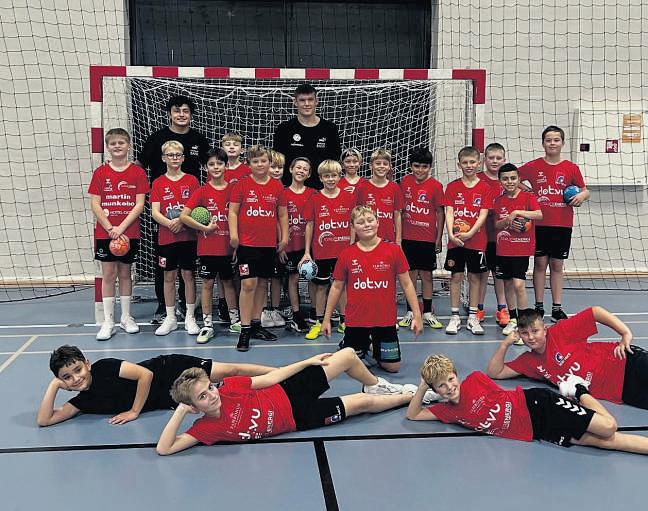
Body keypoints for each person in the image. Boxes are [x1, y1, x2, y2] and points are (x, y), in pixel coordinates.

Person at [156, 347, 416, 454]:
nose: (212, 395)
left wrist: (305, 363)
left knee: (347, 355)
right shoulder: (204, 429)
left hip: (289, 390)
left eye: (210, 388)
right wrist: (180, 411)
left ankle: (376, 384)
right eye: (202, 397)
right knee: (362, 403)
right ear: (194, 407)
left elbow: (270, 379)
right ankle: (411, 397)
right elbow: (164, 448)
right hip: (298, 419)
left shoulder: (231, 388)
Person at [407, 354, 648, 455]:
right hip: (538, 430)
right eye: (441, 386)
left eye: (451, 379)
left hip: (539, 404)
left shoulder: (475, 380)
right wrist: (422, 386)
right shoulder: (446, 412)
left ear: (456, 375)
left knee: (608, 428)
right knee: (605, 442)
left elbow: (505, 395)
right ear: (435, 390)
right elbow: (414, 415)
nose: (449, 387)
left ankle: (578, 389)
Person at [37, 345, 275, 427]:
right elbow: (45, 420)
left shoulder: (104, 367)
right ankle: (278, 381)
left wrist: (134, 411)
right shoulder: (82, 402)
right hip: (168, 397)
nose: (76, 378)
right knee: (230, 391)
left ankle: (281, 373)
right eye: (67, 377)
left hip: (167, 369)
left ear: (87, 364)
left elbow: (145, 375)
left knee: (230, 371)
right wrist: (53, 386)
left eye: (78, 370)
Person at [136, 95, 210, 325]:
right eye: (177, 111)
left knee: (188, 271)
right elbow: (139, 166)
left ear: (191, 114)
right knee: (165, 268)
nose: (181, 115)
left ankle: (188, 310)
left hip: (190, 214)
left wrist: (187, 217)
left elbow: (210, 168)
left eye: (185, 111)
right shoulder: (157, 138)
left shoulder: (199, 139)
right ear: (170, 113)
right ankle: (164, 308)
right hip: (164, 214)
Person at [322, 205, 423, 373]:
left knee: (392, 367)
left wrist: (417, 315)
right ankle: (354, 343)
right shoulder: (347, 254)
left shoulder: (393, 250)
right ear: (353, 227)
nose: (367, 225)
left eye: (370, 220)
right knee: (348, 366)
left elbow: (407, 284)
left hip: (384, 321)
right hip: (356, 321)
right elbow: (337, 287)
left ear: (378, 222)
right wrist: (326, 319)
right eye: (360, 222)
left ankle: (371, 345)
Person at [486, 307, 648, 410]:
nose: (531, 337)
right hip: (620, 391)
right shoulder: (529, 361)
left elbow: (595, 312)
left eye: (535, 331)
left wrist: (625, 333)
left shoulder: (560, 332)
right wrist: (505, 344)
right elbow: (495, 372)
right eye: (525, 333)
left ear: (545, 330)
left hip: (624, 362)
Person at [518, 125, 590, 321]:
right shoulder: (534, 166)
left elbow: (585, 190)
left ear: (563, 143)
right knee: (540, 264)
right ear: (543, 143)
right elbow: (512, 178)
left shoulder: (571, 168)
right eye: (548, 140)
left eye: (556, 140)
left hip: (562, 224)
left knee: (557, 265)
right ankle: (539, 306)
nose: (552, 143)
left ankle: (557, 308)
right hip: (540, 223)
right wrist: (527, 191)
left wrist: (582, 196)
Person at [88, 128, 149, 341]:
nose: (117, 146)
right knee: (108, 275)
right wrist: (109, 228)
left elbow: (139, 204)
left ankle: (126, 317)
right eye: (113, 143)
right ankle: (108, 321)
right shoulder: (100, 173)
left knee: (125, 273)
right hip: (105, 233)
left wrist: (121, 228)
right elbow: (95, 203)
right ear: (108, 147)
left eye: (121, 143)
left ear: (128, 146)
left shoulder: (137, 173)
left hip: (128, 232)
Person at [229, 145, 289, 352]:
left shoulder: (277, 187)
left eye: (263, 161)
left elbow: (282, 214)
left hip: (268, 244)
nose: (260, 164)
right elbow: (233, 212)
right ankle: (245, 329)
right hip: (247, 244)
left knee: (263, 284)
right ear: (249, 164)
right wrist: (234, 235)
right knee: (248, 284)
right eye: (255, 161)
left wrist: (284, 237)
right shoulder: (241, 185)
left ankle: (256, 324)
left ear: (269, 163)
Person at [180, 148, 239, 344]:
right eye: (211, 164)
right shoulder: (202, 191)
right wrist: (204, 227)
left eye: (219, 163)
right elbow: (184, 216)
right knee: (207, 284)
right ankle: (207, 324)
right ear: (206, 168)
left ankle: (235, 321)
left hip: (228, 247)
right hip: (207, 248)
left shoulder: (234, 190)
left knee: (228, 283)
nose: (216, 167)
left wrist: (237, 244)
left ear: (226, 165)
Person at [300, 160, 356, 340]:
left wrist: (353, 245)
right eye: (327, 176)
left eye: (334, 176)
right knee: (321, 287)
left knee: (342, 286)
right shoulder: (315, 198)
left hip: (343, 251)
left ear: (340, 177)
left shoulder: (349, 197)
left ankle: (345, 321)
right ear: (320, 178)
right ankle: (318, 322)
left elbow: (353, 224)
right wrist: (307, 252)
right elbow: (310, 225)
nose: (330, 179)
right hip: (322, 252)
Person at [150, 140, 200, 336]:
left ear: (183, 158)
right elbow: (155, 212)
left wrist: (182, 221)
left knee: (188, 275)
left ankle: (190, 317)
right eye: (170, 155)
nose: (174, 158)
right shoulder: (158, 182)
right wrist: (170, 223)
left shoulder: (192, 180)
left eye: (178, 155)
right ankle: (170, 317)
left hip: (188, 236)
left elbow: (196, 208)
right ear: (164, 158)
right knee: (168, 276)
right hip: (167, 237)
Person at [443, 146, 494, 335]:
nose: (469, 165)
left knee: (474, 277)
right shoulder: (452, 187)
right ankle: (455, 316)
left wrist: (471, 233)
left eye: (472, 162)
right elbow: (449, 212)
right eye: (465, 162)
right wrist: (450, 234)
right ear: (459, 165)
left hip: (476, 240)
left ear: (479, 164)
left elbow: (483, 214)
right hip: (456, 241)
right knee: (456, 276)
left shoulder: (485, 188)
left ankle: (473, 317)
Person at [492, 164, 542, 336]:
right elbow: (497, 224)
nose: (509, 182)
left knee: (519, 284)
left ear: (519, 179)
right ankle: (513, 319)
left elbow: (539, 214)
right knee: (507, 283)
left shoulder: (528, 197)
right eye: (505, 179)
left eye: (513, 178)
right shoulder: (499, 201)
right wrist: (507, 221)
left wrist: (518, 213)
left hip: (521, 247)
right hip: (504, 248)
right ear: (500, 181)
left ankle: (523, 322)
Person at [398, 146, 445, 330]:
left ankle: (427, 312)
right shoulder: (404, 182)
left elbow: (440, 213)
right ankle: (411, 311)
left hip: (427, 239)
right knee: (410, 276)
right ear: (411, 166)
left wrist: (438, 238)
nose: (420, 170)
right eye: (416, 166)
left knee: (426, 276)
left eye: (424, 167)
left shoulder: (436, 186)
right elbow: (399, 210)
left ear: (430, 167)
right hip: (408, 238)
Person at [273, 83, 341, 189]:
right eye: (302, 100)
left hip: (321, 189)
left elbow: (334, 162)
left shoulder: (330, 129)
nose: (307, 104)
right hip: (291, 189)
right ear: (295, 102)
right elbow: (277, 162)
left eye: (310, 99)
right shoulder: (284, 128)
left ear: (316, 101)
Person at [280, 157, 316, 332]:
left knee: (313, 278)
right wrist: (281, 245)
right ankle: (296, 315)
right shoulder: (283, 193)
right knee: (293, 278)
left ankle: (315, 312)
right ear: (291, 169)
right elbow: (278, 221)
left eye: (305, 169)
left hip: (309, 245)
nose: (301, 171)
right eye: (298, 167)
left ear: (309, 174)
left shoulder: (314, 194)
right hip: (290, 245)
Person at [476, 142, 508, 325]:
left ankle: (502, 309)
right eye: (491, 158)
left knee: (499, 275)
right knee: (482, 274)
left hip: (501, 237)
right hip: (481, 236)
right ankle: (478, 308)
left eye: (498, 158)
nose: (495, 161)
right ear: (484, 159)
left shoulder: (508, 181)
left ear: (504, 160)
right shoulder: (477, 180)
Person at [261, 150, 289, 329]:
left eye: (280, 167)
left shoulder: (283, 190)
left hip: (279, 242)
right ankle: (264, 309)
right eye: (273, 167)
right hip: (263, 241)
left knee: (277, 277)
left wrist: (283, 242)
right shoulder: (260, 187)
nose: (277, 170)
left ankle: (276, 309)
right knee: (263, 278)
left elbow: (282, 218)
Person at [355, 148, 404, 244]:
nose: (381, 166)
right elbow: (356, 215)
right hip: (366, 240)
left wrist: (398, 240)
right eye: (378, 163)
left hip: (388, 239)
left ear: (389, 167)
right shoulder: (362, 187)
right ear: (370, 166)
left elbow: (397, 215)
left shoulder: (395, 187)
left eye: (385, 164)